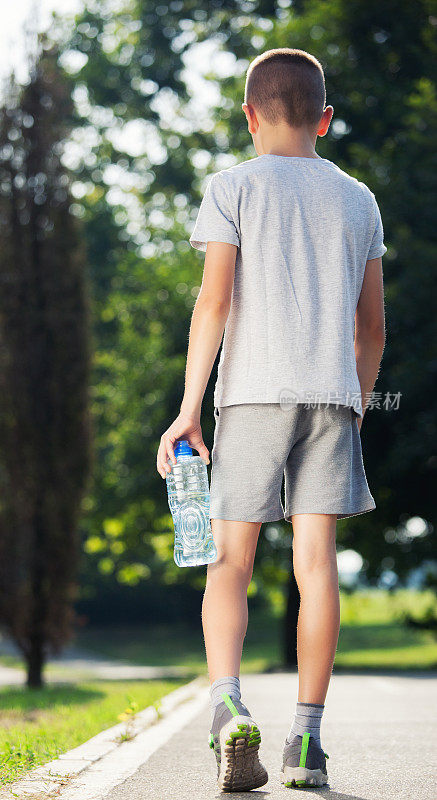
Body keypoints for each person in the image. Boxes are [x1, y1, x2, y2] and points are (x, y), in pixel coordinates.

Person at [156, 47, 386, 791]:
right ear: (324, 117)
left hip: (249, 396)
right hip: (331, 398)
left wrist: (188, 409)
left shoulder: (231, 187)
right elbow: (371, 327)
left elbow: (214, 303)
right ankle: (306, 745)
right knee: (314, 567)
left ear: (248, 116)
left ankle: (227, 708)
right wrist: (356, 403)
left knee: (230, 563)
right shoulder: (358, 198)